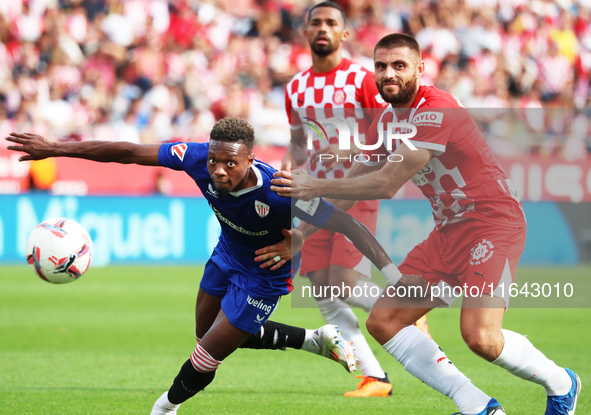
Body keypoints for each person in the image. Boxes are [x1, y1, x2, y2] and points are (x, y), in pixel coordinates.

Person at [6, 117, 421, 415]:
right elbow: (129, 153)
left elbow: (345, 222)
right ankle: (313, 339)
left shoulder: (280, 191)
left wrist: (389, 273)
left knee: (207, 353)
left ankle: (164, 407)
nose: (219, 171)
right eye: (215, 162)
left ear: (250, 159)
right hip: (226, 256)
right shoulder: (195, 157)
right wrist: (57, 147)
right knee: (204, 332)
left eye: (230, 164)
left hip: (263, 276)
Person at [270, 34, 581, 415]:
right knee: (384, 321)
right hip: (449, 231)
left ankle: (562, 384)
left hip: (493, 223)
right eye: (381, 66)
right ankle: (478, 406)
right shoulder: (385, 120)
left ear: (420, 69)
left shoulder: (437, 108)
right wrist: (302, 232)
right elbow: (352, 188)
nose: (389, 74)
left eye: (399, 66)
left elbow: (385, 183)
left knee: (481, 337)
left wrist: (314, 183)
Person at [282, 1, 429, 397]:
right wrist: (283, 177)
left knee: (344, 282)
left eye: (332, 22)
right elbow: (298, 145)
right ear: (306, 32)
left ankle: (408, 309)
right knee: (323, 290)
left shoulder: (363, 79)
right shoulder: (295, 87)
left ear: (344, 34)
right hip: (312, 195)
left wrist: (348, 151)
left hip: (354, 188)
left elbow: (388, 129)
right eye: (317, 23)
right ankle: (374, 378)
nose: (323, 29)